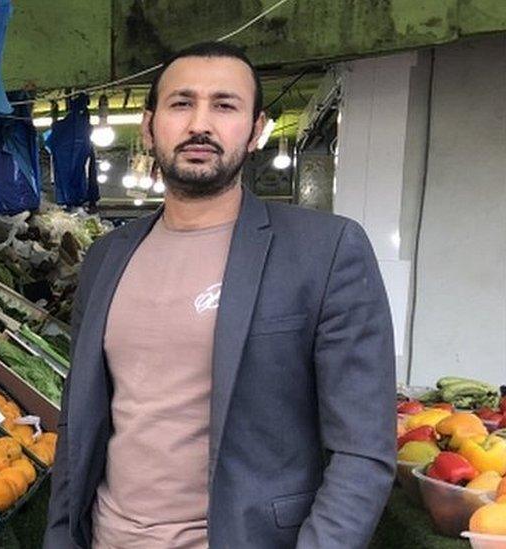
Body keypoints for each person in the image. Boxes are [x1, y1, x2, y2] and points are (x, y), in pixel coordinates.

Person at [44, 42, 396, 549]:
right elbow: (78, 422)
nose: (199, 125)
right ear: (149, 125)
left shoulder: (324, 250)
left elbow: (362, 451)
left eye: (225, 106)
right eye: (181, 103)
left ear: (256, 130)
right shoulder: (106, 257)